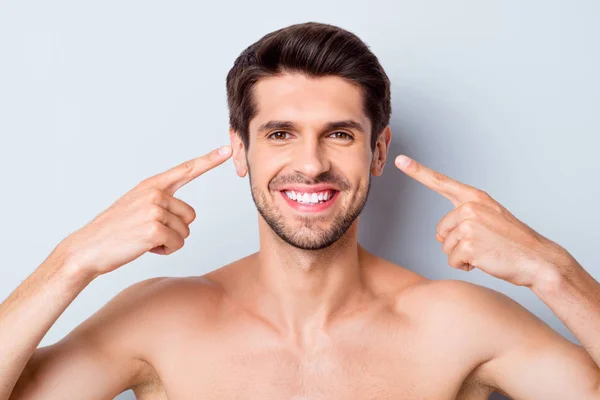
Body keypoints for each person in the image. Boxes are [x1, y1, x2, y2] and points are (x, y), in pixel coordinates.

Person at [2, 21, 599, 400]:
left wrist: (555, 272)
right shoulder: (162, 319)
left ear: (378, 150)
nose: (311, 165)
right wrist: (72, 260)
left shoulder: (457, 325)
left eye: (339, 134)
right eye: (281, 134)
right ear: (241, 149)